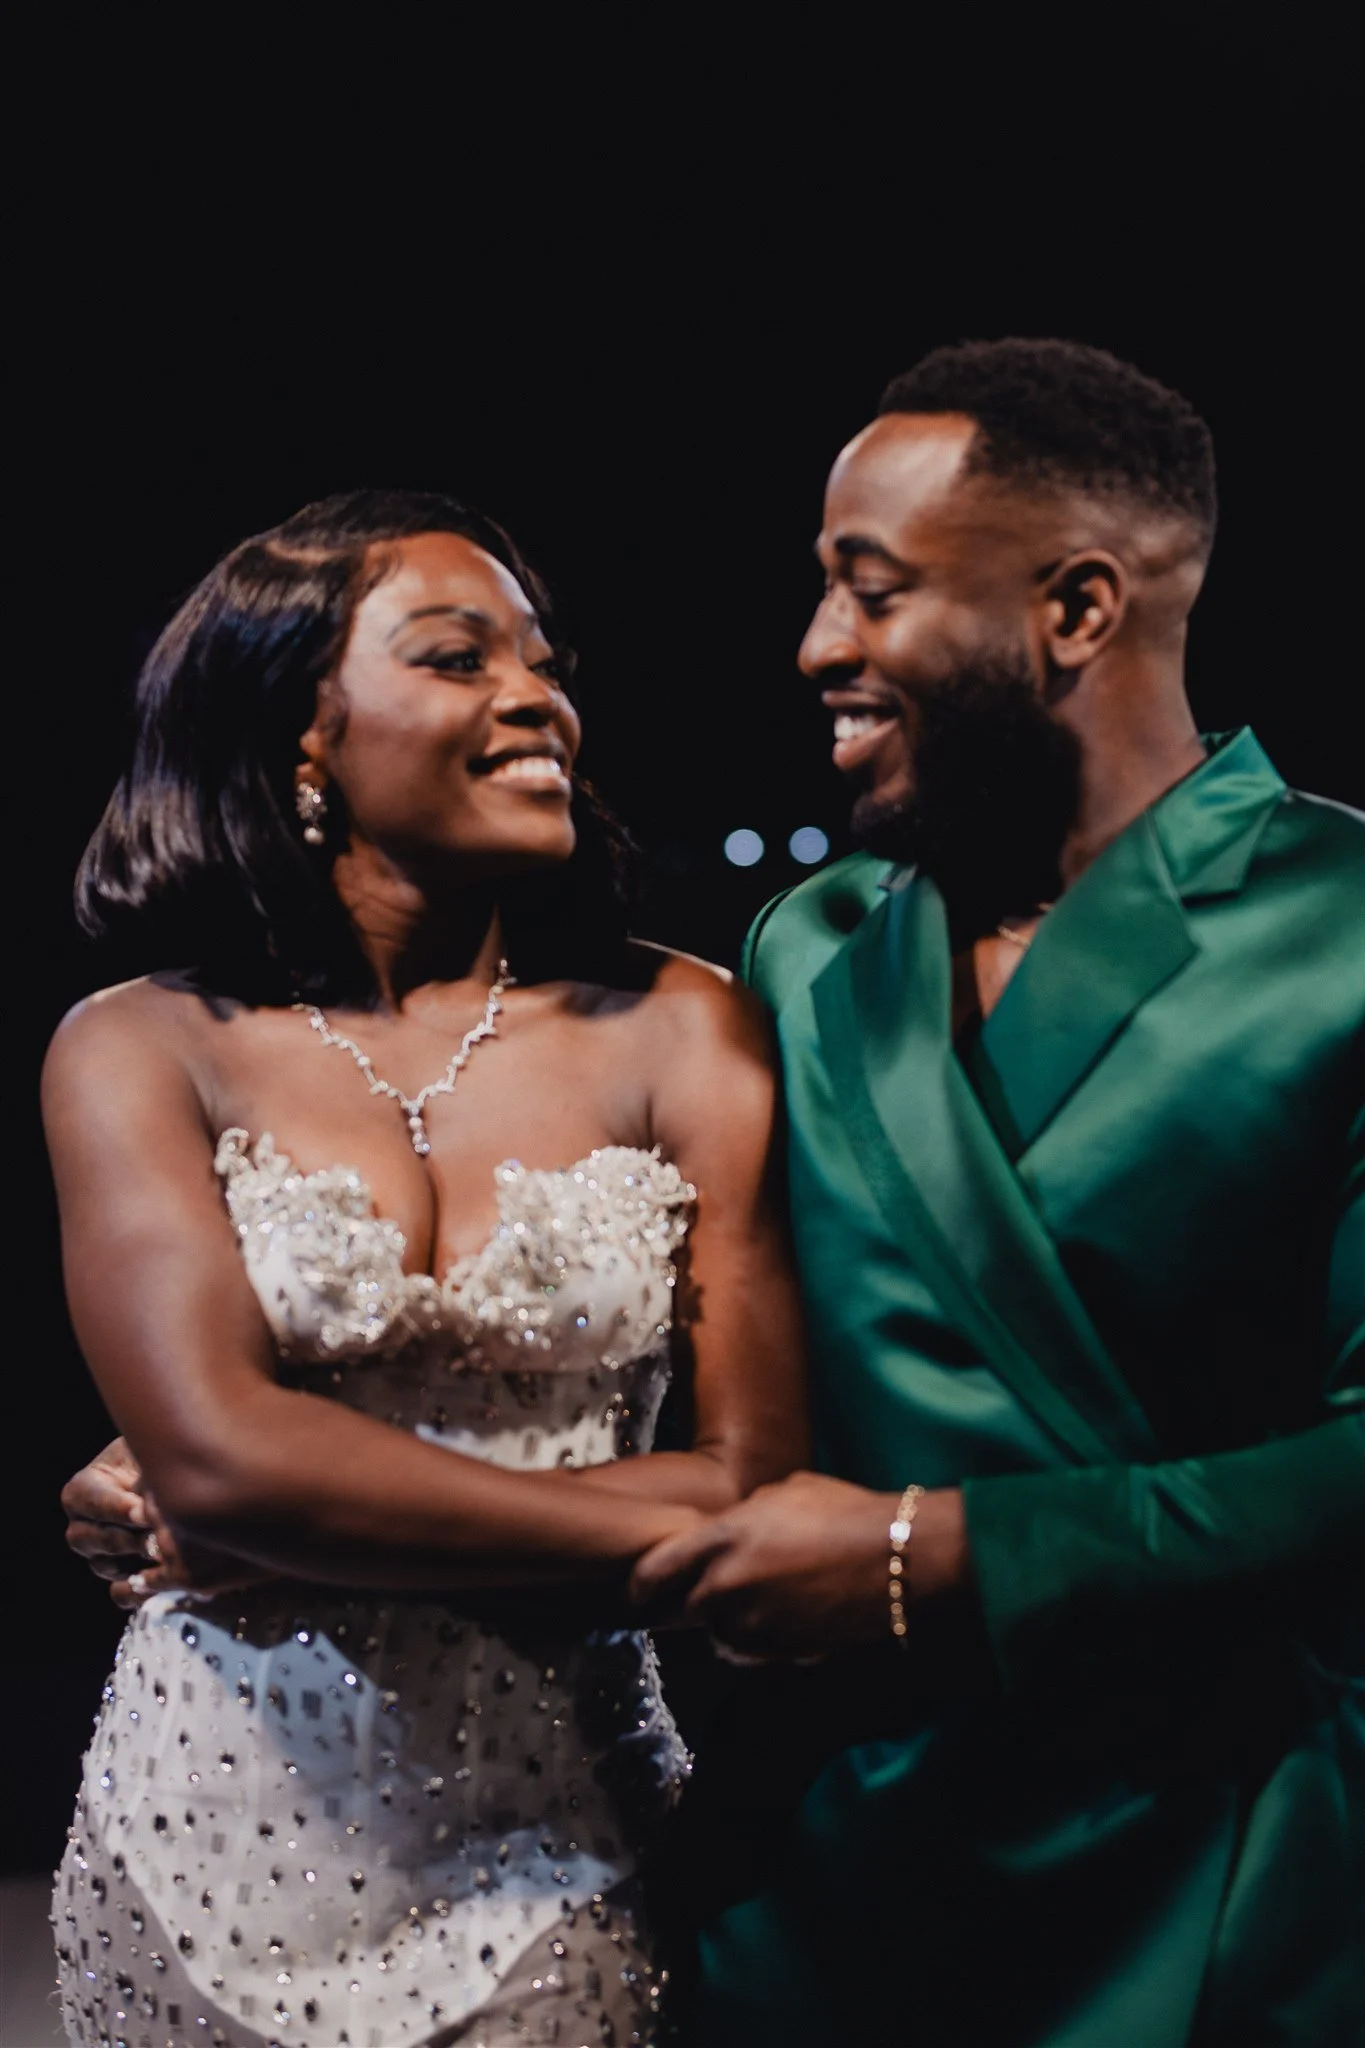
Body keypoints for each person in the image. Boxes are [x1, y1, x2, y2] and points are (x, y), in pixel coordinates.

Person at [631, 339, 1365, 2045]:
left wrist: (929, 1553)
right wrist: (309, 1417)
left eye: (868, 591)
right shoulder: (810, 947)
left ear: (1079, 609)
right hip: (826, 1872)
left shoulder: (1346, 930)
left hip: (1220, 1873)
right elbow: (693, 1327)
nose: (817, 647)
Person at [44, 489, 807, 2048]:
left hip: (566, 1839)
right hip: (194, 1839)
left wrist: (305, 1518)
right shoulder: (138, 1045)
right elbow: (218, 1458)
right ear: (299, 736)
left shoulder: (687, 1029)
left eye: (545, 661)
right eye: (458, 658)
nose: (537, 696)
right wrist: (243, 1484)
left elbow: (755, 1477)